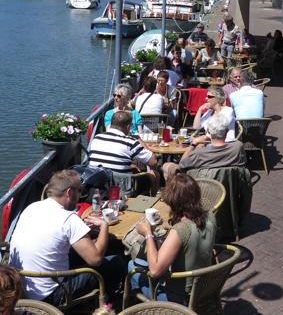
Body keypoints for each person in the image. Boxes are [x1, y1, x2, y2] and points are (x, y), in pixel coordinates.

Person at [9, 170, 123, 305]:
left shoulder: (31, 208)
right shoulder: (69, 219)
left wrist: (80, 229)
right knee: (115, 262)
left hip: (23, 288)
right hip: (52, 295)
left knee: (78, 254)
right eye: (80, 190)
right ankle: (107, 306)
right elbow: (95, 259)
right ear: (69, 192)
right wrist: (104, 225)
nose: (81, 195)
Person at [130, 174, 217, 304]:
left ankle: (144, 309)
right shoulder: (210, 216)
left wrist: (147, 233)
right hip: (204, 287)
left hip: (180, 298)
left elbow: (155, 271)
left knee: (132, 264)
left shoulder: (181, 230)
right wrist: (170, 227)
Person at [161, 113, 246, 179]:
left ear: (209, 131)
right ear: (227, 130)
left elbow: (182, 164)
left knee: (167, 166)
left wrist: (194, 144)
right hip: (229, 187)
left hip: (202, 188)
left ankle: (172, 197)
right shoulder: (238, 147)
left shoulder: (199, 153)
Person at [89, 111, 158, 175]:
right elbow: (153, 161)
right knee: (154, 174)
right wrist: (138, 139)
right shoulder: (130, 142)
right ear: (128, 127)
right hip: (120, 184)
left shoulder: (97, 138)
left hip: (96, 180)